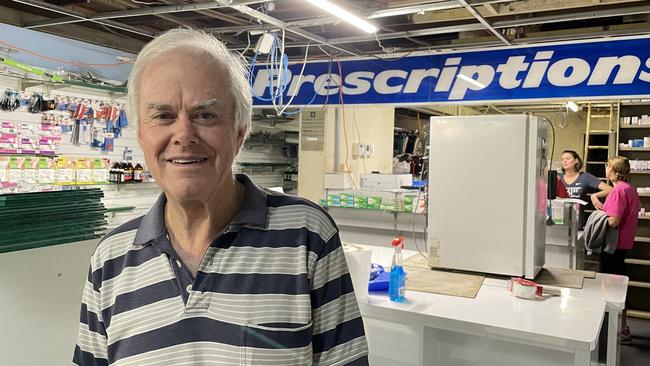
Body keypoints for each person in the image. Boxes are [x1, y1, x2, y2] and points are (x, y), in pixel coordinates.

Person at [73, 28, 369, 365]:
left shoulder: (307, 237)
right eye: (163, 116)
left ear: (240, 131)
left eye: (205, 115)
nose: (183, 134)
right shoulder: (110, 259)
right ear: (141, 134)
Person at [601, 156, 640, 344]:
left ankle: (607, 330)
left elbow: (614, 221)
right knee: (620, 285)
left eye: (608, 166)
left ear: (615, 172)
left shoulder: (618, 191)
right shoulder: (629, 189)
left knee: (610, 287)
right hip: (623, 245)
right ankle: (623, 326)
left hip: (613, 246)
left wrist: (598, 217)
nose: (606, 168)